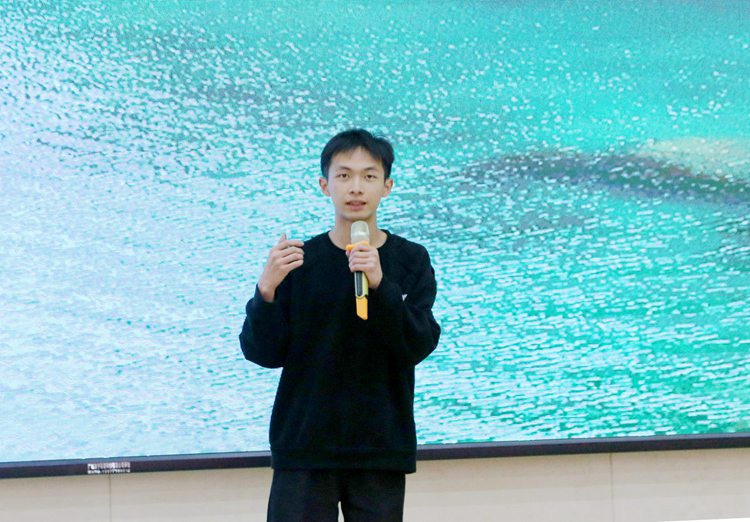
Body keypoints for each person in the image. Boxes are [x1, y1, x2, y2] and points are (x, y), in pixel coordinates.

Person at [239, 128, 441, 522]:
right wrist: (266, 290)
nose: (356, 187)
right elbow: (263, 353)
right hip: (304, 444)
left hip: (379, 445)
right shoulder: (299, 261)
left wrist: (381, 285)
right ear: (324, 185)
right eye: (344, 175)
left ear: (387, 187)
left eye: (369, 176)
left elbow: (418, 344)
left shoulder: (410, 259)